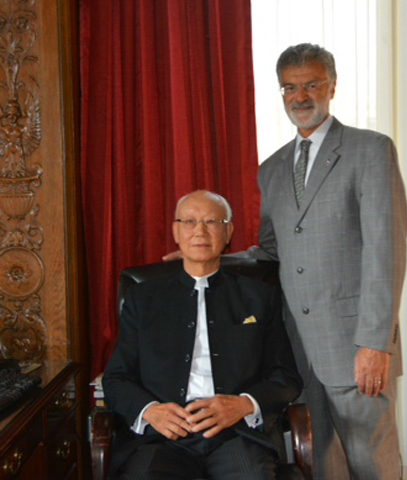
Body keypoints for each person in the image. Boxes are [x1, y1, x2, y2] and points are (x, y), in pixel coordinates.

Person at [248, 43, 407, 479]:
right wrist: (204, 259)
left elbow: (386, 251)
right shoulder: (272, 168)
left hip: (356, 347)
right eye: (289, 88)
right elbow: (270, 252)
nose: (300, 97)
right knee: (319, 466)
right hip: (298, 351)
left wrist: (375, 344)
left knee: (372, 467)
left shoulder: (370, 150)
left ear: (332, 86)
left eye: (311, 85)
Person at [103, 190, 303, 480]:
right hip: (164, 437)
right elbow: (116, 378)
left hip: (234, 434)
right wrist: (151, 411)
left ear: (228, 231)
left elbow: (285, 376)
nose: (200, 230)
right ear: (176, 230)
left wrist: (245, 403)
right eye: (189, 221)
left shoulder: (258, 297)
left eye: (211, 221)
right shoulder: (143, 298)